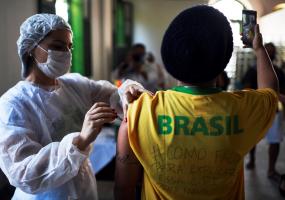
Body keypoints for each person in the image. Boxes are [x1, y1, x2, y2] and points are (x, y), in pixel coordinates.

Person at [114, 5, 279, 200]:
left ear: (170, 56)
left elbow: (124, 189)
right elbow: (270, 92)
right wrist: (259, 49)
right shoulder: (241, 109)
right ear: (223, 60)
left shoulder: (139, 111)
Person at [0, 13, 145, 200]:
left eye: (69, 47)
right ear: (30, 48)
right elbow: (24, 174)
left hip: (84, 188)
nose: (66, 53)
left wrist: (128, 89)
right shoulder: (13, 105)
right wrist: (82, 140)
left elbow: (114, 97)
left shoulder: (75, 85)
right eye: (57, 47)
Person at [243, 43, 285, 180]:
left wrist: (277, 97)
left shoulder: (279, 71)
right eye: (268, 51)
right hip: (256, 111)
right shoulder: (252, 70)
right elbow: (247, 90)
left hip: (275, 111)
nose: (270, 54)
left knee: (275, 141)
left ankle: (271, 169)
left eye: (272, 52)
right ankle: (252, 159)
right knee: (252, 139)